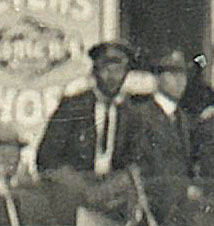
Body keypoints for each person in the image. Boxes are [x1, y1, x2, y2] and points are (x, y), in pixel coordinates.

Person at [36, 40, 138, 175]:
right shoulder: (72, 107)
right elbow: (46, 159)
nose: (112, 77)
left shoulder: (129, 112)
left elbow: (133, 160)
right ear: (94, 71)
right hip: (76, 183)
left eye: (118, 70)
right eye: (106, 69)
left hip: (113, 184)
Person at [126, 48, 196, 179]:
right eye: (172, 73)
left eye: (183, 74)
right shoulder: (141, 115)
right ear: (157, 77)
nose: (179, 80)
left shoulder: (183, 118)